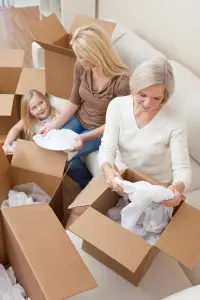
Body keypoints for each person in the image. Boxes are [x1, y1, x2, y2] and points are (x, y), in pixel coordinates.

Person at [41, 24, 130, 188]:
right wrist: (54, 125)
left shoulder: (122, 83)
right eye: (78, 56)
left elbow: (116, 124)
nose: (80, 61)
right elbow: (74, 102)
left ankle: (86, 187)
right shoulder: (81, 67)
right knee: (50, 146)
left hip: (101, 130)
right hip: (79, 118)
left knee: (64, 155)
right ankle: (83, 181)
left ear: (97, 53)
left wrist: (83, 138)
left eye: (83, 56)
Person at [98, 57, 192, 207]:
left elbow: (182, 169)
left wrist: (177, 188)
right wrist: (107, 169)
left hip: (154, 187)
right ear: (134, 87)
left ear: (165, 97)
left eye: (156, 98)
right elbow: (107, 148)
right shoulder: (117, 106)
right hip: (122, 178)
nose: (148, 104)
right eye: (142, 95)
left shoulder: (175, 121)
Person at [3, 89, 61, 155]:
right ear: (30, 113)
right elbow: (15, 128)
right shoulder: (31, 119)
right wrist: (6, 145)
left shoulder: (56, 113)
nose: (40, 108)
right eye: (34, 108)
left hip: (56, 150)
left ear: (46, 100)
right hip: (41, 153)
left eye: (41, 103)